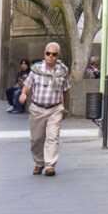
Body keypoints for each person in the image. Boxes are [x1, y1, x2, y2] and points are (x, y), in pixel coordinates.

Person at [22, 41, 72, 176]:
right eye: (48, 53)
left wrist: (66, 108)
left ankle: (50, 165)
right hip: (37, 109)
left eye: (54, 54)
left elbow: (66, 90)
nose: (51, 56)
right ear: (44, 54)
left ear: (58, 56)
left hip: (55, 109)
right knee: (36, 139)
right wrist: (23, 94)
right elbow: (27, 84)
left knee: (52, 137)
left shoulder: (62, 71)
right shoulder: (36, 70)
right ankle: (39, 163)